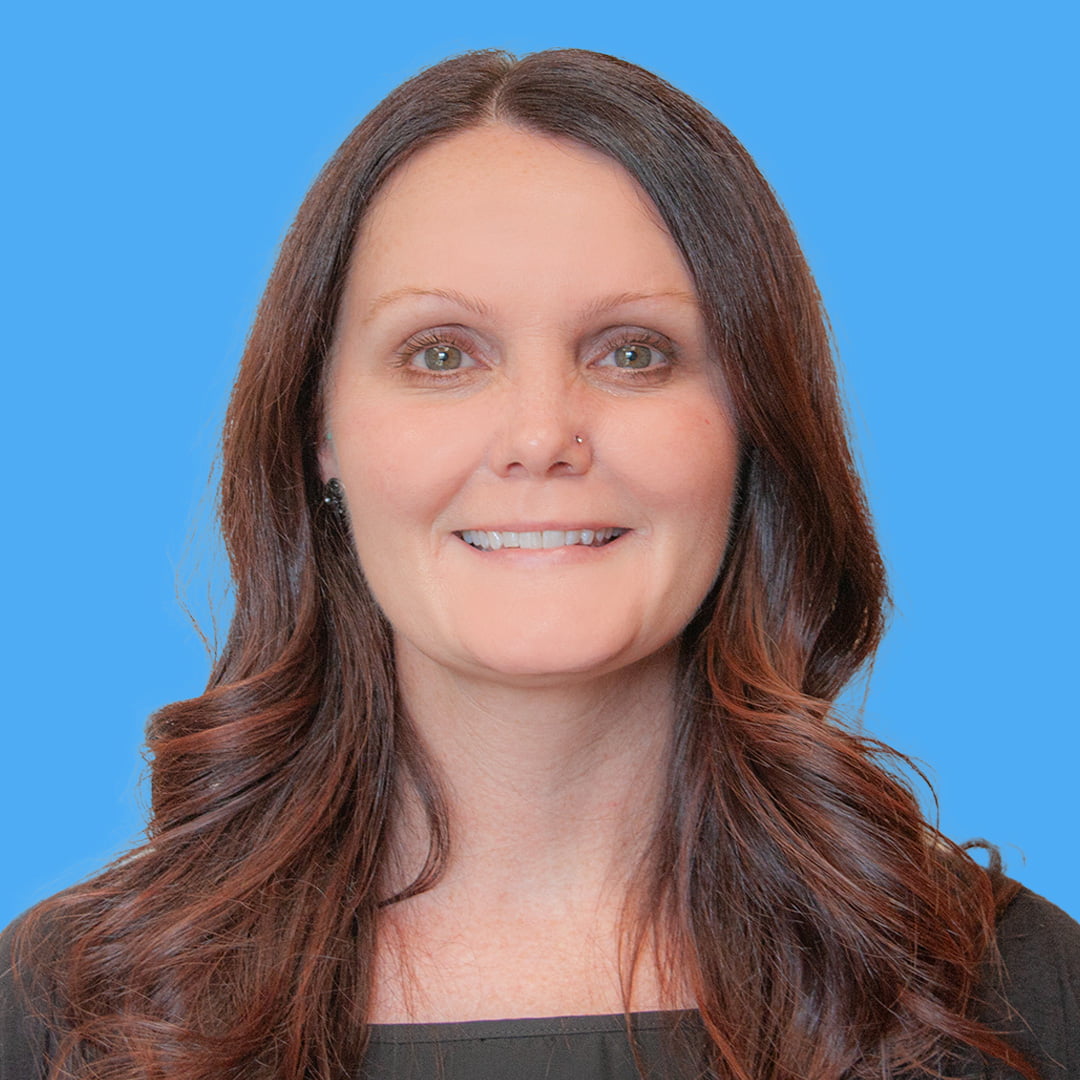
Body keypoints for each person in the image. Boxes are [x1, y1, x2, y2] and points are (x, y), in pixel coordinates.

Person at [2, 47, 1077, 1080]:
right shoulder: (66, 1013)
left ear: (753, 422)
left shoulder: (1012, 995)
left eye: (632, 352)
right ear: (319, 431)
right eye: (441, 354)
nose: (539, 434)